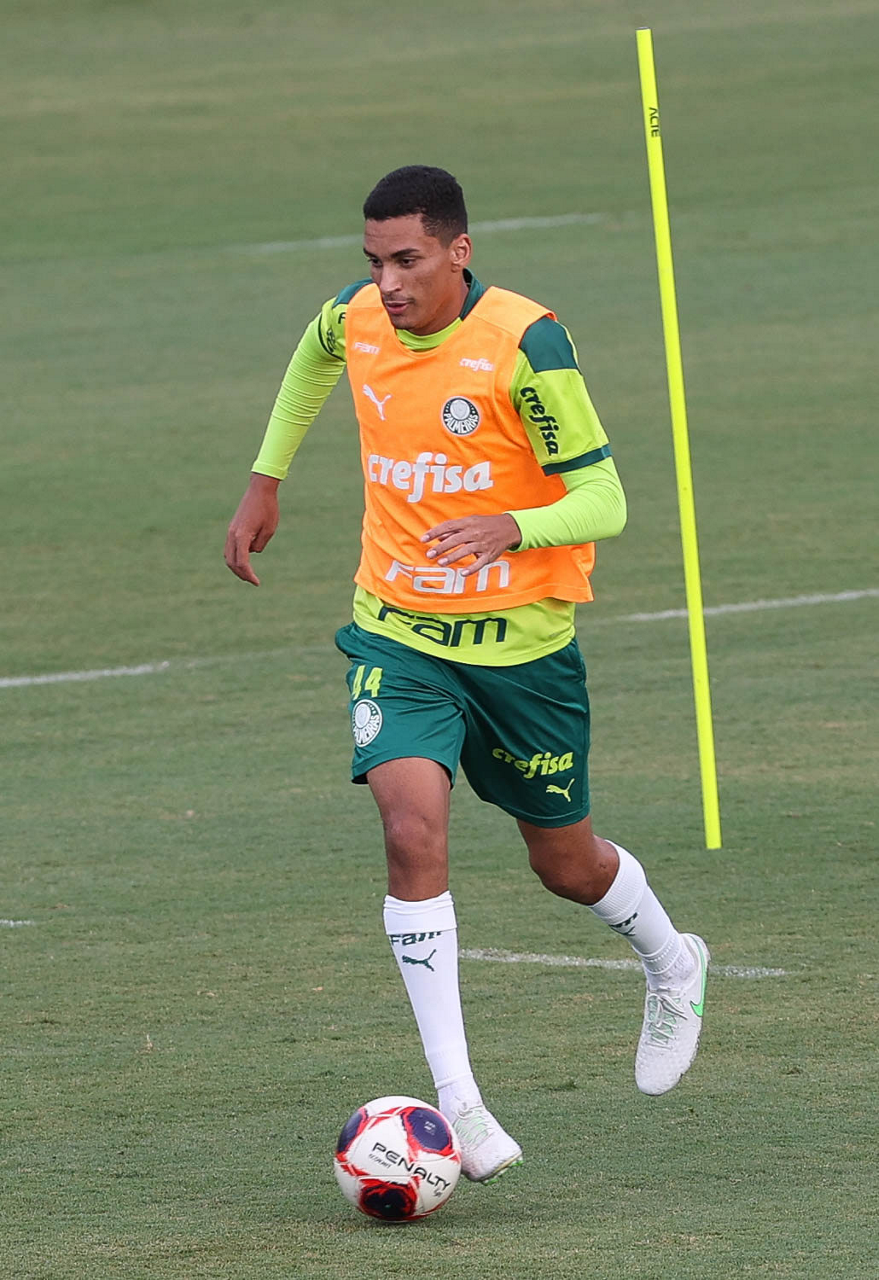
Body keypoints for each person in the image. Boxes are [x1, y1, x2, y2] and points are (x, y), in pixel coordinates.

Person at [225, 165, 709, 1185]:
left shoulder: (526, 344)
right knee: (411, 831)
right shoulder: (357, 317)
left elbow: (606, 498)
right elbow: (316, 354)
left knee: (565, 865)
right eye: (374, 262)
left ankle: (673, 962)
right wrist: (266, 477)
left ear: (458, 250)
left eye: (406, 260)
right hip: (396, 638)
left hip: (522, 658)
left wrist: (510, 526)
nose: (387, 283)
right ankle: (460, 1100)